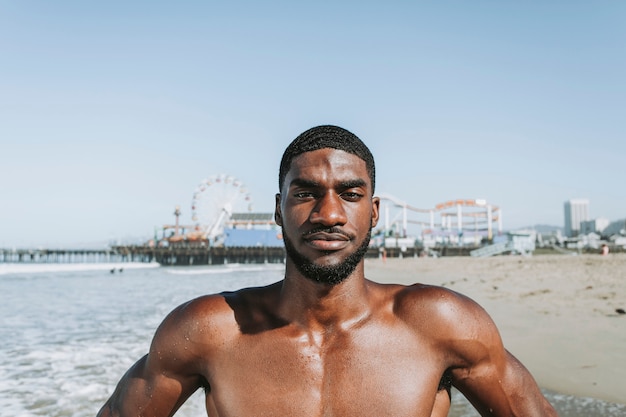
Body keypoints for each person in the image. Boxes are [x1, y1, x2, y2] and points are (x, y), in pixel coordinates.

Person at [98, 125, 557, 416]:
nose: (329, 213)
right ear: (278, 210)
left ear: (375, 212)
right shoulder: (210, 331)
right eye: (305, 194)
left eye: (351, 194)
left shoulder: (438, 323)